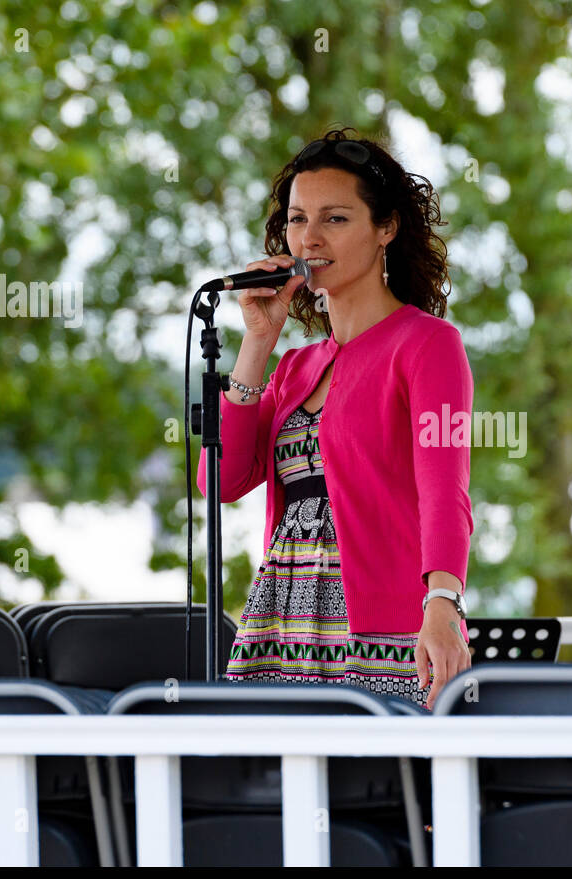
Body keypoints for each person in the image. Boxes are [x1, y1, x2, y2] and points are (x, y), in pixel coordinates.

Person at [196, 128, 474, 709]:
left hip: (382, 631)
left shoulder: (428, 345)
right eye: (298, 219)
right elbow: (216, 482)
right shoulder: (295, 365)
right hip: (281, 625)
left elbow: (444, 491)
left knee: (378, 793)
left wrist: (443, 601)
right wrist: (258, 342)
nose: (309, 237)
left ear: (387, 229)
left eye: (336, 219)